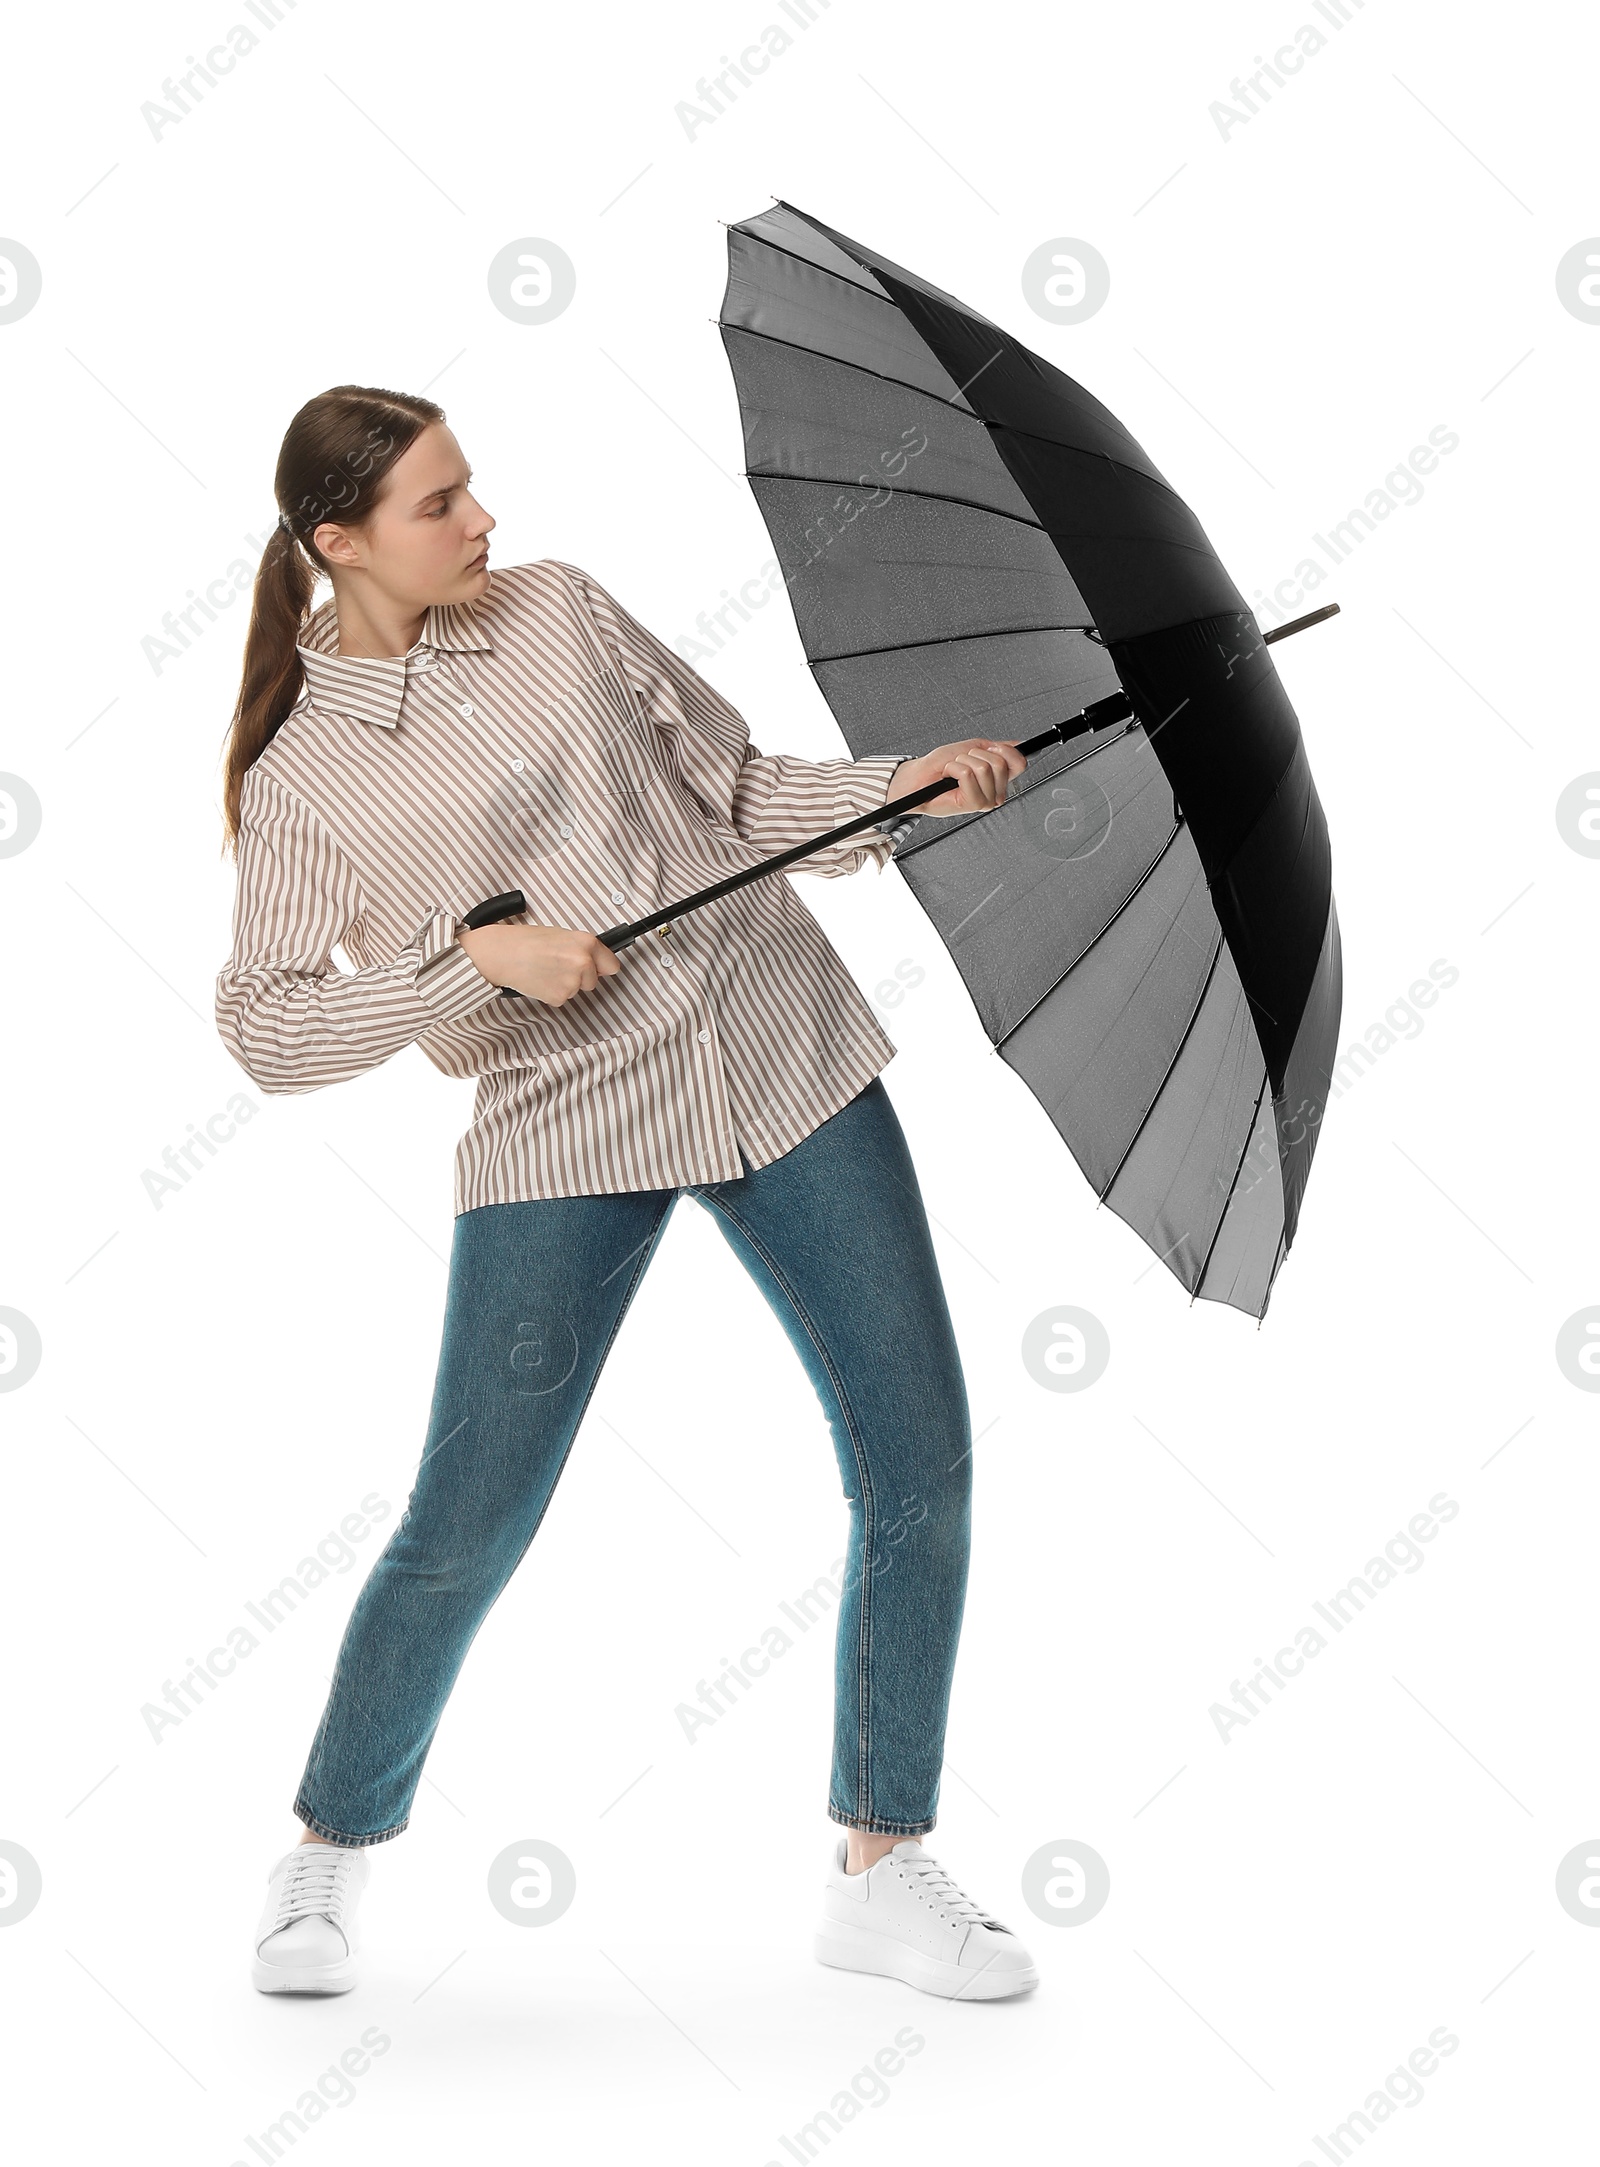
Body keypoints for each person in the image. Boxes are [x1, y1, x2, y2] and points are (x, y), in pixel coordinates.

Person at [216, 383, 1037, 2003]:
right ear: (340, 543)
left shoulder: (568, 613)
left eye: (472, 489)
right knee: (473, 1515)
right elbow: (268, 1026)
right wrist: (467, 967)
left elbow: (729, 792)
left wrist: (898, 793)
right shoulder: (304, 779)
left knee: (920, 1460)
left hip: (785, 1055)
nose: (484, 521)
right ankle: (327, 1845)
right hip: (563, 1123)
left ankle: (881, 1863)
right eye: (442, 504)